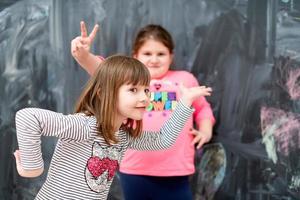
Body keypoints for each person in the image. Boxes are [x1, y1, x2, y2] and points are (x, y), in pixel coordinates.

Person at [14, 55, 212, 200]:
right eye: (133, 90)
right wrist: (33, 168)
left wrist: (185, 101)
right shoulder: (86, 125)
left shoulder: (122, 136)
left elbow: (162, 140)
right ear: (103, 93)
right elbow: (27, 117)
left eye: (146, 90)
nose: (145, 97)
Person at [71, 22, 215, 200]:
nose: (154, 59)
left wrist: (206, 130)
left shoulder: (185, 80)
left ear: (171, 56)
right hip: (134, 169)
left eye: (161, 54)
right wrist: (84, 55)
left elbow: (202, 109)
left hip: (175, 170)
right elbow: (101, 70)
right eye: (147, 53)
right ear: (135, 56)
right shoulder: (127, 79)